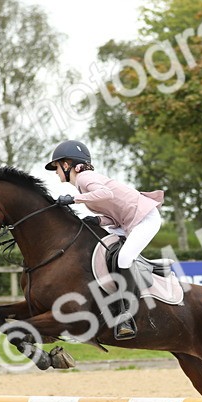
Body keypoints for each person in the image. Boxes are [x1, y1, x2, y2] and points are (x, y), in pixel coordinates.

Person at [46, 139, 164, 340]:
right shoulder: (84, 183)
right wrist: (97, 220)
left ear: (67, 165)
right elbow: (112, 214)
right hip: (126, 222)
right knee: (105, 250)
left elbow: (106, 193)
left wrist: (73, 200)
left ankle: (125, 314)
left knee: (124, 258)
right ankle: (153, 268)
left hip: (145, 219)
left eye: (56, 167)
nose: (56, 172)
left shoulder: (84, 178)